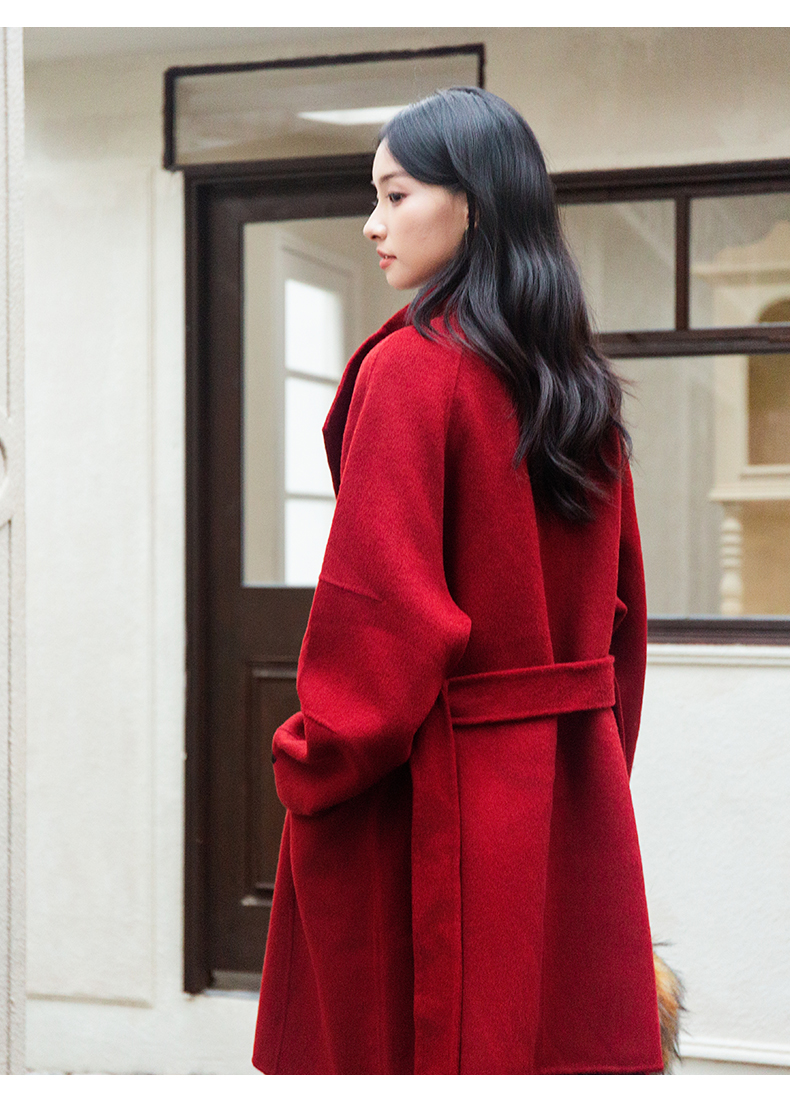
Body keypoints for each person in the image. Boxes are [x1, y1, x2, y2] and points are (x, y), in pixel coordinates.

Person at [252, 87, 664, 1075]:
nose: (372, 223)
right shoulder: (577, 387)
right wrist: (587, 767)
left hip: (427, 801)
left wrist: (311, 758)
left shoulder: (412, 371)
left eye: (395, 195)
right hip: (562, 792)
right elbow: (623, 624)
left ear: (472, 204)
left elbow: (382, 618)